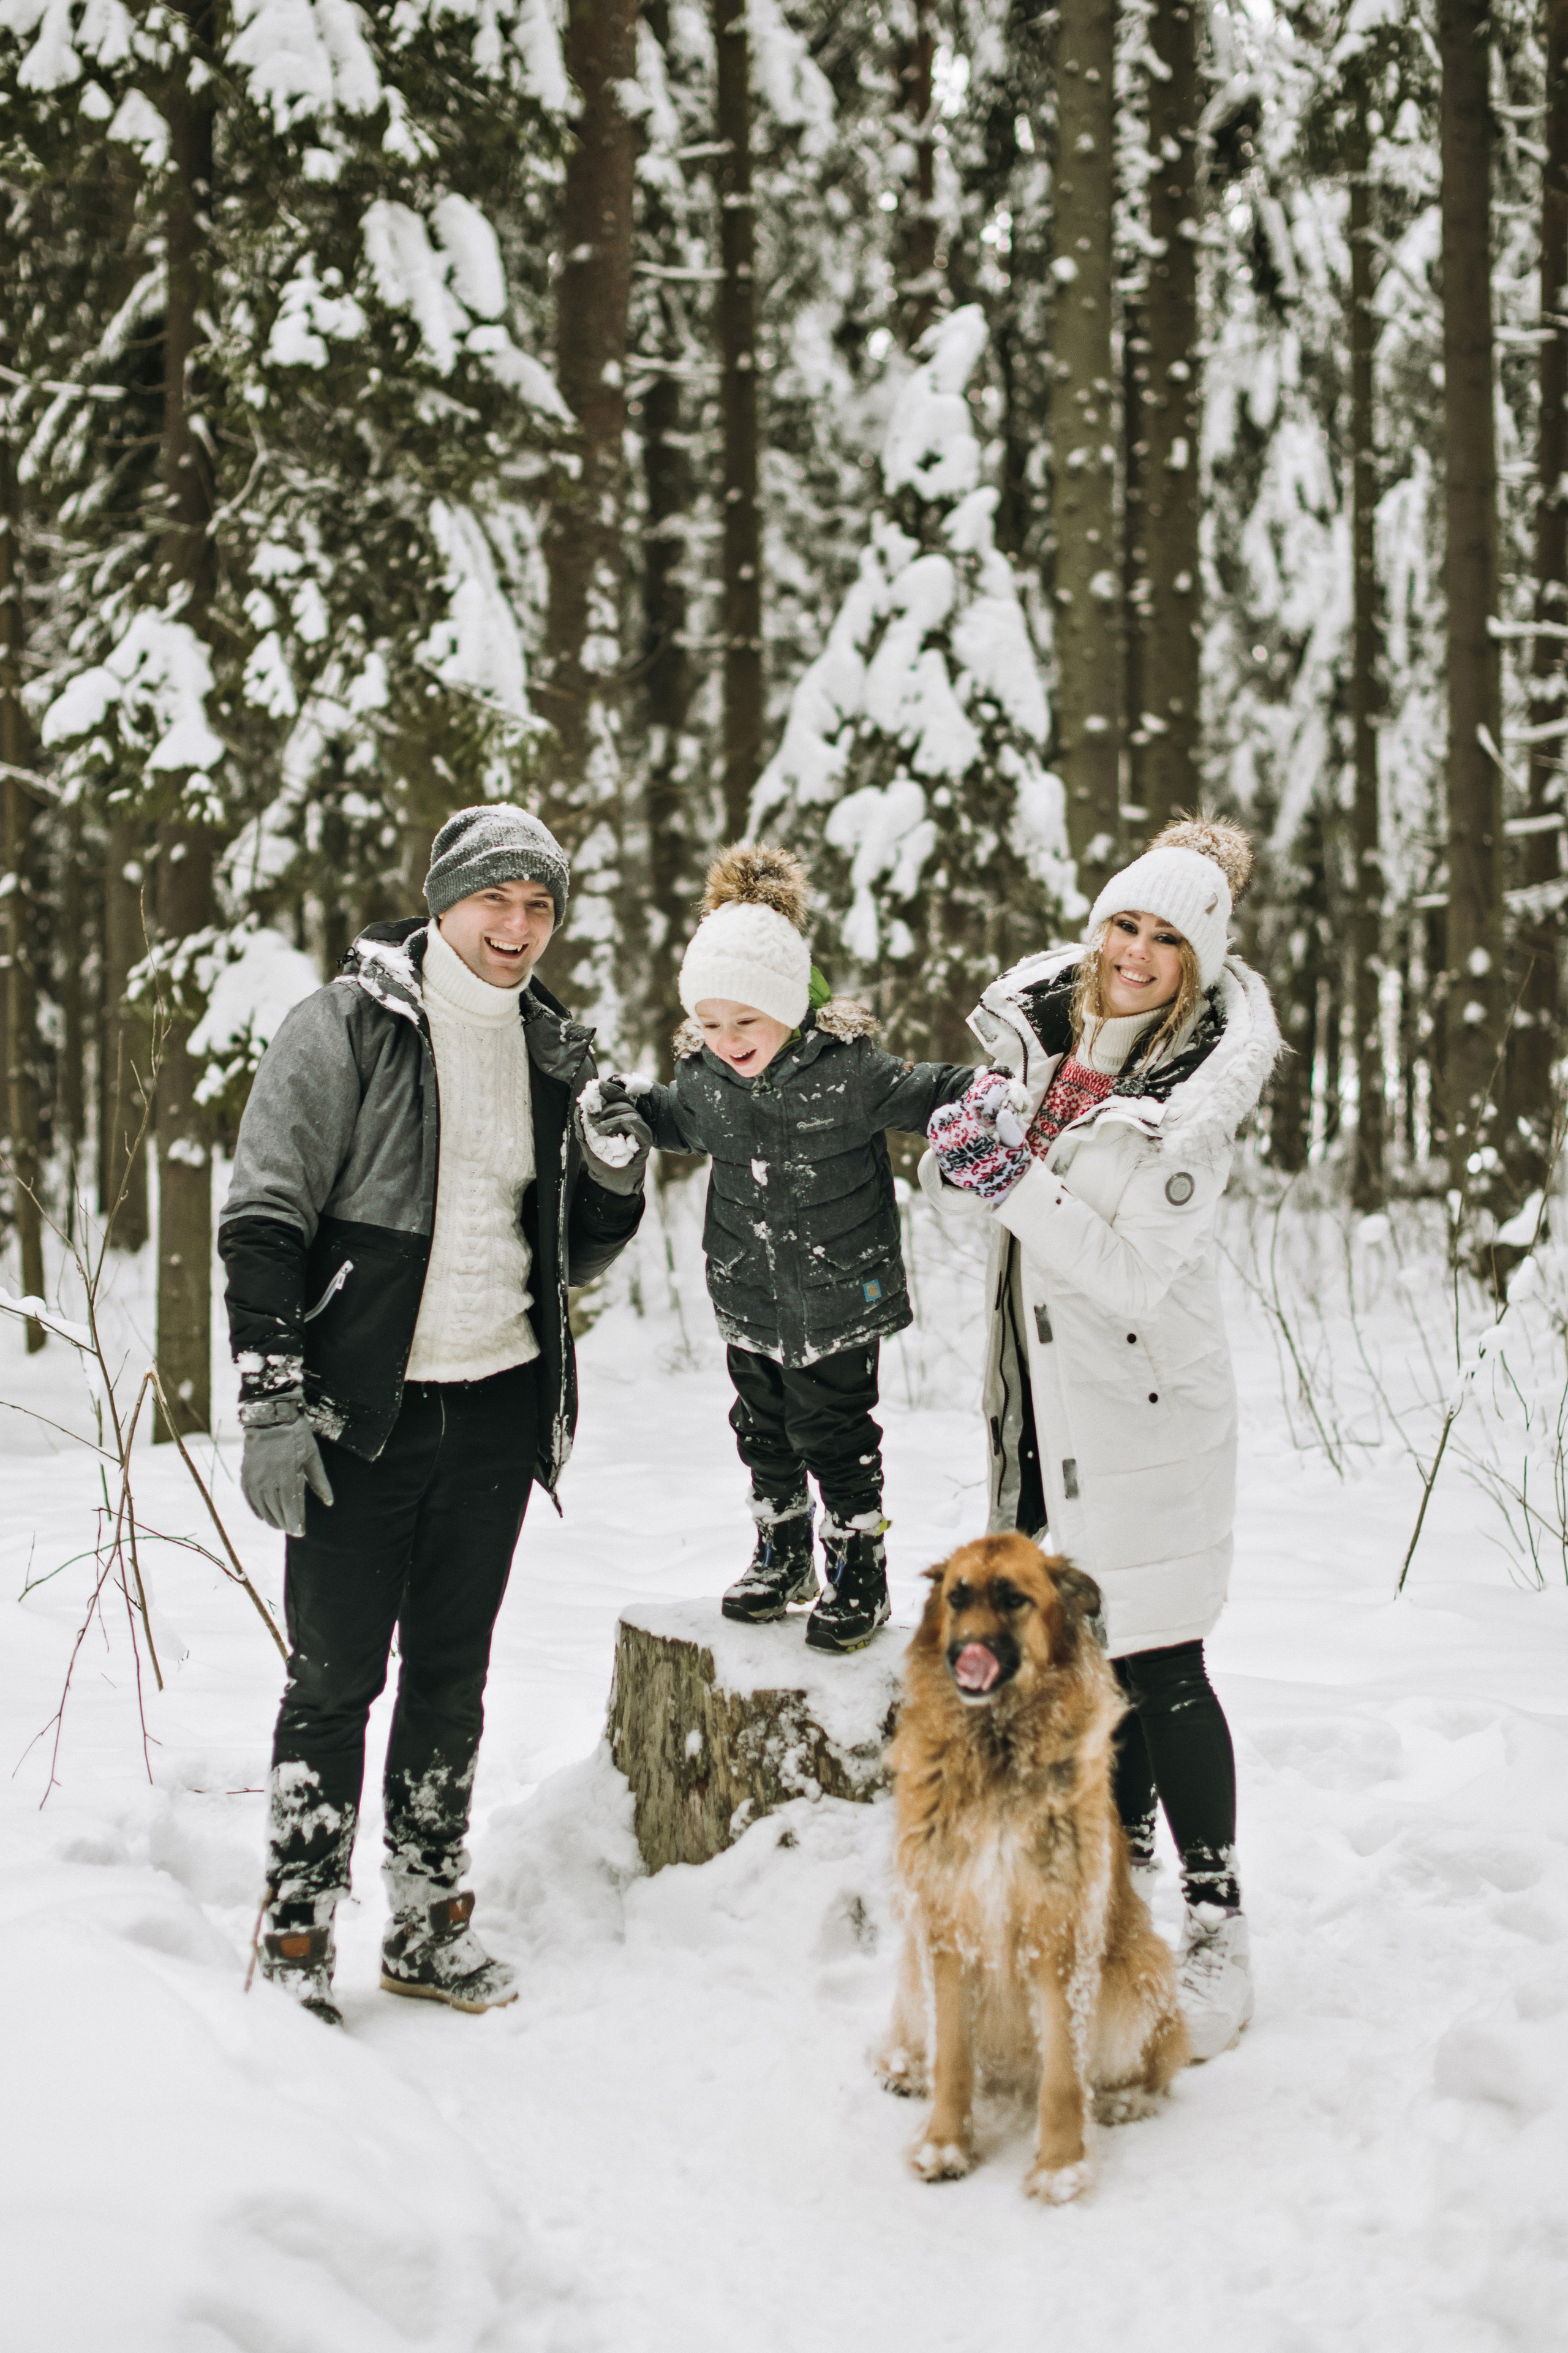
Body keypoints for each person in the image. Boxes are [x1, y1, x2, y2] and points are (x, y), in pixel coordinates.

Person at [219, 805, 647, 2024]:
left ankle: (425, 1922)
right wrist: (272, 1401)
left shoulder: (554, 1048)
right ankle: (298, 1934)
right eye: (494, 900)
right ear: (444, 902)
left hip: (498, 1406)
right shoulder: (345, 1027)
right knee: (333, 1681)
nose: (517, 927)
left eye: (539, 906)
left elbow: (570, 1252)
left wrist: (613, 1177)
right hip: (362, 1415)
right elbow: (264, 1218)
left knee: (452, 1678)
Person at [921, 817, 1280, 2061]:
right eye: (1123, 923)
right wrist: (965, 1153)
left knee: (1162, 1663)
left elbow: (1124, 1270)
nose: (1134, 952)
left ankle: (1217, 1914)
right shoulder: (1051, 1043)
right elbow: (993, 1207)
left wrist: (1003, 1174)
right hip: (1042, 1407)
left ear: (1198, 962)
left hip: (1146, 1418)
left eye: (1165, 938)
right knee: (1085, 1662)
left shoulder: (1192, 1102)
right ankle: (1115, 1877)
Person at [580, 845, 973, 1653]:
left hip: (839, 1292)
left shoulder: (850, 1073)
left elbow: (930, 1090)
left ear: (790, 1007)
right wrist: (636, 1111)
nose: (727, 1040)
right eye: (710, 1023)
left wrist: (986, 1098)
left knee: (835, 1432)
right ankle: (782, 1552)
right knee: (762, 1427)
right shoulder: (706, 1079)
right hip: (748, 1289)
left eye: (746, 1021)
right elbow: (681, 1120)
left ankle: (858, 1568)